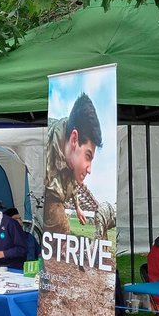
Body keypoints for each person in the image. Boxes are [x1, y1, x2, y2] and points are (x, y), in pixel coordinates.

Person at [44, 92, 102, 235]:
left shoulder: (71, 163)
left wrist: (78, 208)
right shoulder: (46, 145)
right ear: (74, 139)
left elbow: (73, 184)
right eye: (88, 156)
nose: (89, 170)